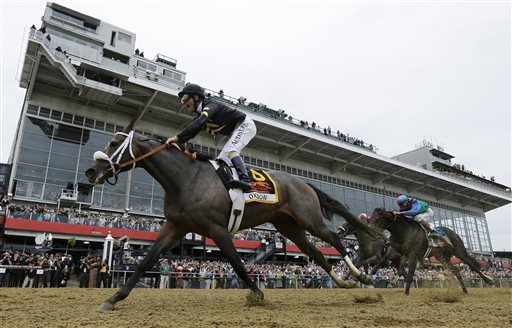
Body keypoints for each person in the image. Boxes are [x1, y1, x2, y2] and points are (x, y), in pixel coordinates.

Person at [166, 83, 257, 190]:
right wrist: (177, 142)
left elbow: (199, 122)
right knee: (221, 160)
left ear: (196, 97)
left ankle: (245, 180)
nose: (183, 103)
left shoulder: (211, 105)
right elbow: (192, 132)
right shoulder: (201, 116)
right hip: (237, 129)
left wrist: (177, 138)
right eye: (182, 100)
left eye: (185, 98)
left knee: (231, 149)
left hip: (245, 124)